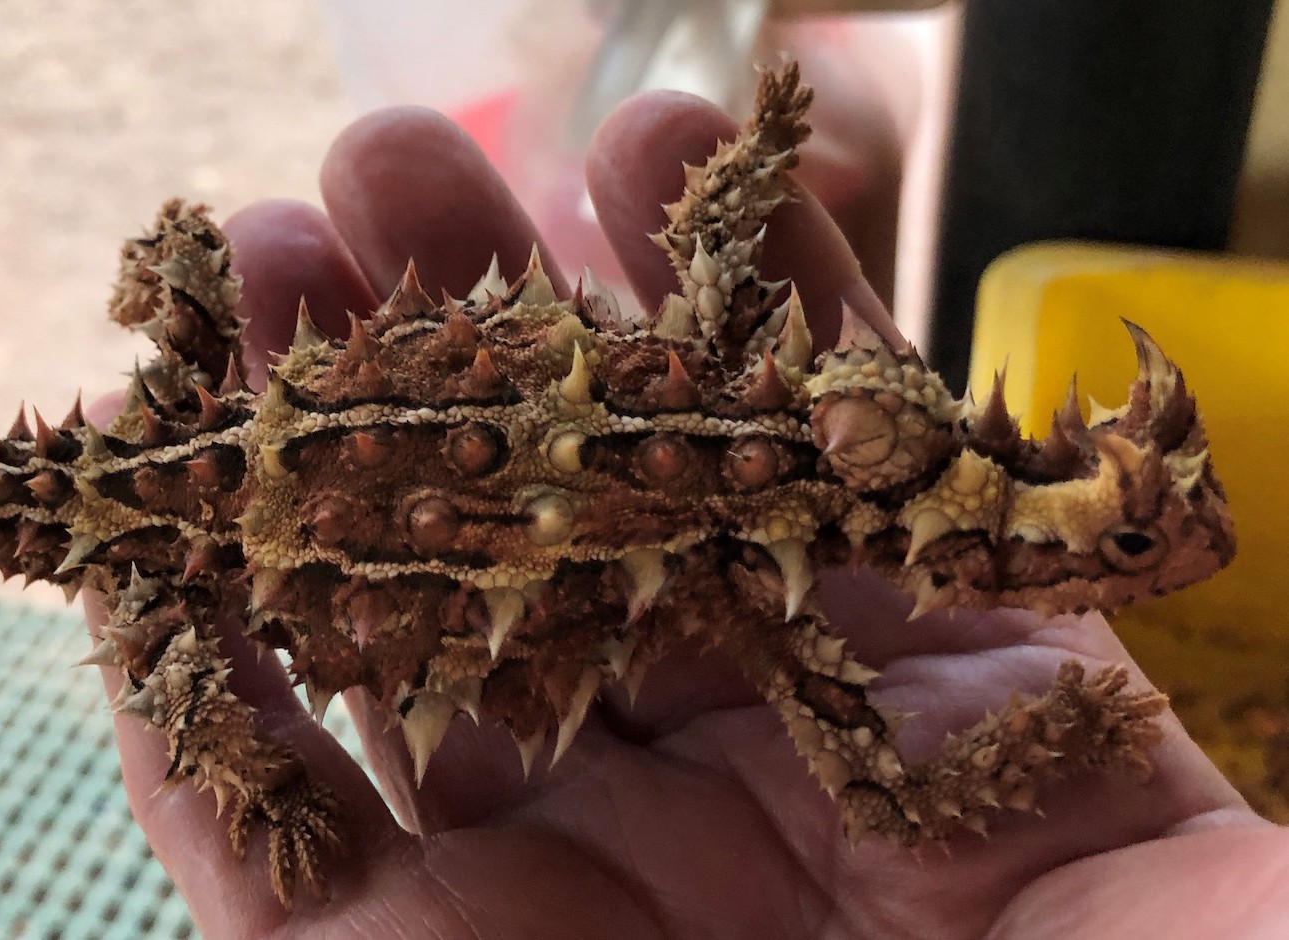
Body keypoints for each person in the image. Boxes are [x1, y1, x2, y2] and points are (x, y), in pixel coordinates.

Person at [87, 90, 1289, 938]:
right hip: (262, 528)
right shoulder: (778, 583)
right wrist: (1065, 726)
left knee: (211, 265)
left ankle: (174, 277)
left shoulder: (767, 404)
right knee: (243, 748)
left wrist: (756, 155)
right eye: (1136, 534)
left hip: (312, 462)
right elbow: (890, 798)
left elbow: (713, 247)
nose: (1182, 552)